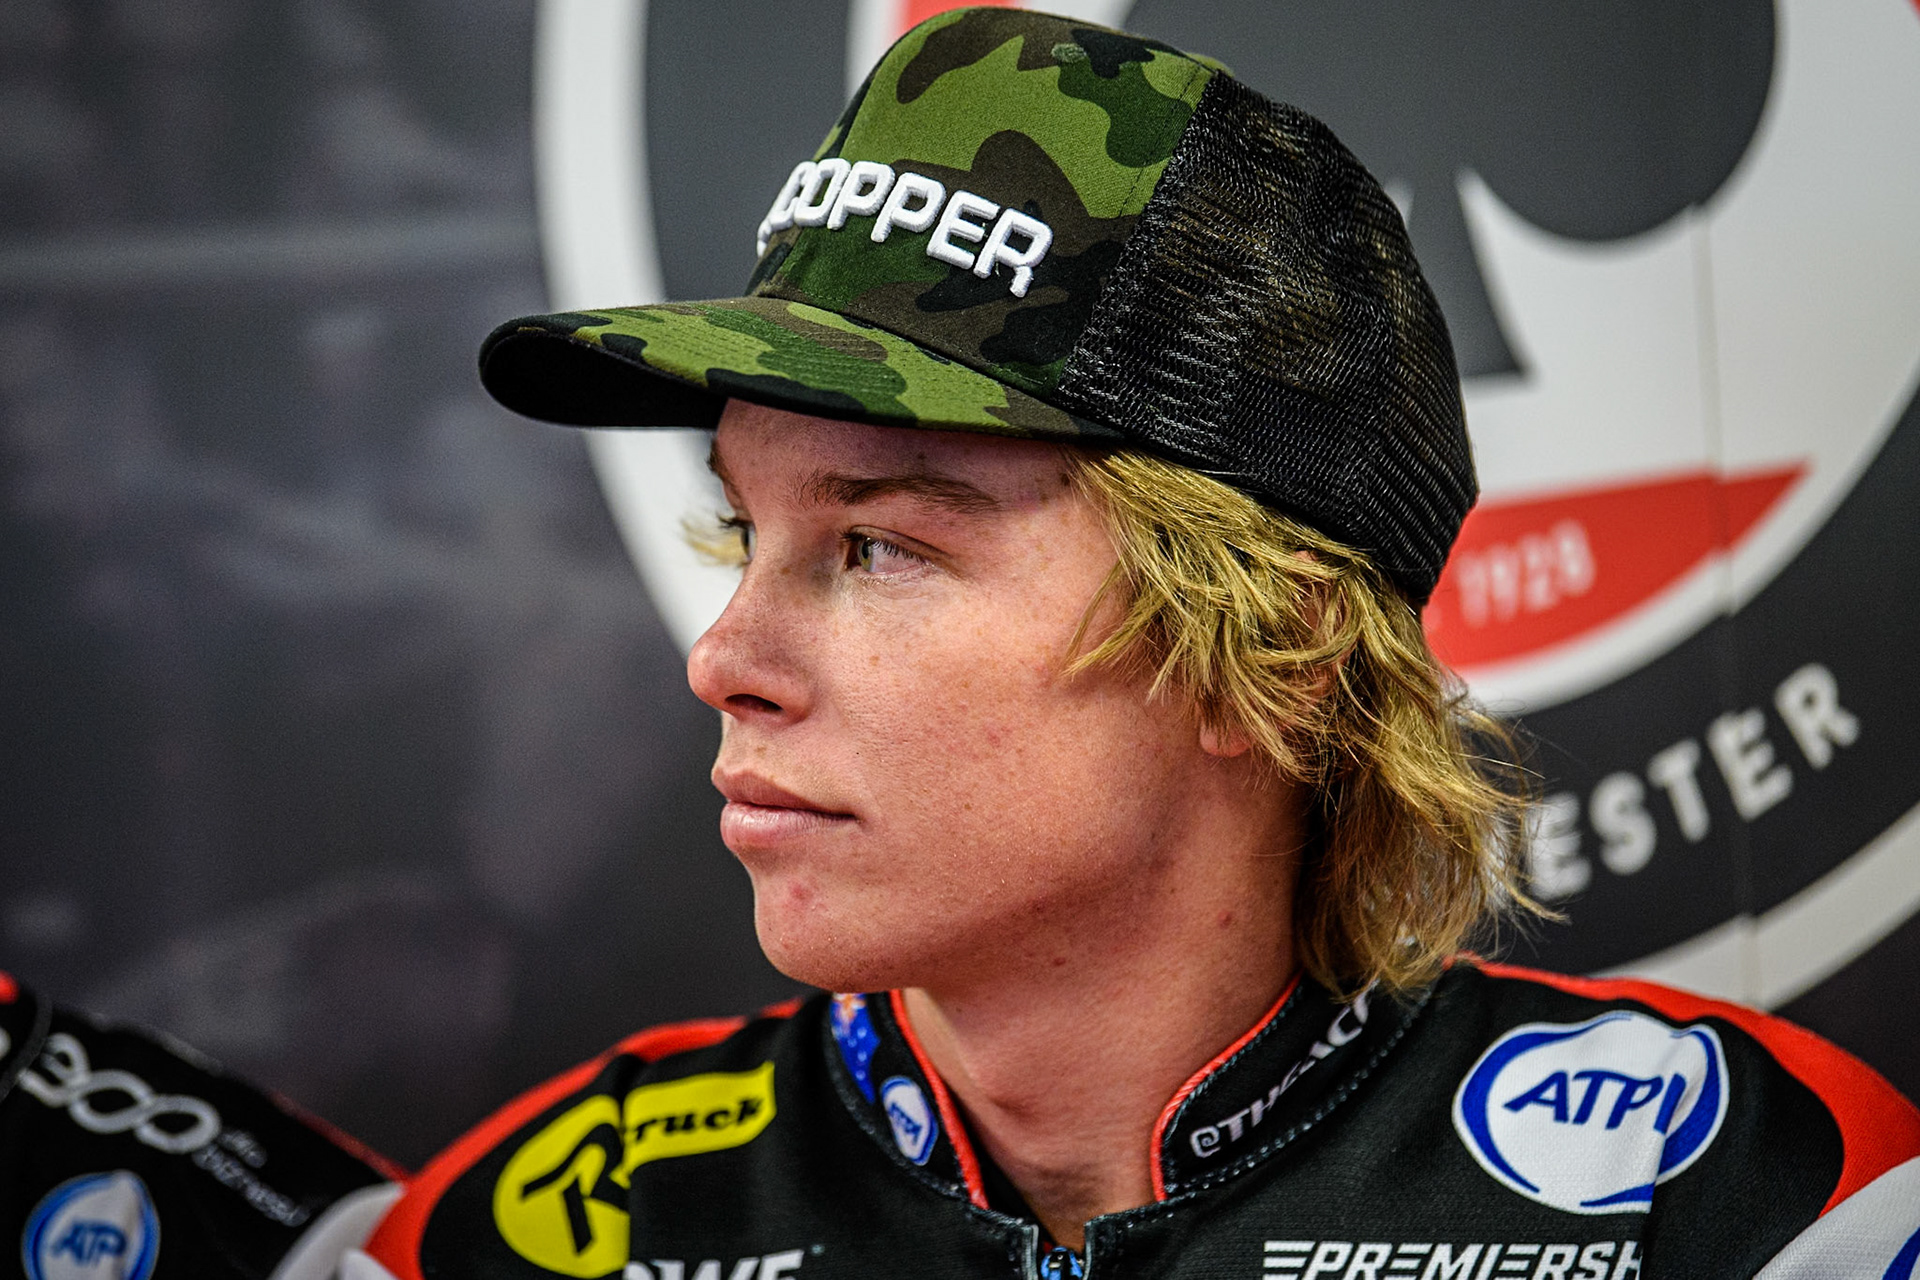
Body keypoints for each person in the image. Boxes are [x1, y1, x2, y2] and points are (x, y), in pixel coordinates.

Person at [345, 9, 1920, 1279]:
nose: (725, 657)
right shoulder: (536, 1234)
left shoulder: (1751, 1207)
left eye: (879, 546)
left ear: (1281, 648)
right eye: (749, 535)